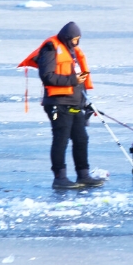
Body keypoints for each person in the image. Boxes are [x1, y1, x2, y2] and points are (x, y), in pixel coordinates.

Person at [18, 22, 105, 189]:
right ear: (66, 38)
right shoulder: (50, 49)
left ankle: (83, 175)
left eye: (78, 40)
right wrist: (72, 80)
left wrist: (84, 102)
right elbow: (47, 77)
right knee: (61, 139)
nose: (76, 43)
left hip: (73, 103)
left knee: (81, 139)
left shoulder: (72, 52)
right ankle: (60, 177)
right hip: (58, 104)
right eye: (74, 39)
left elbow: (79, 80)